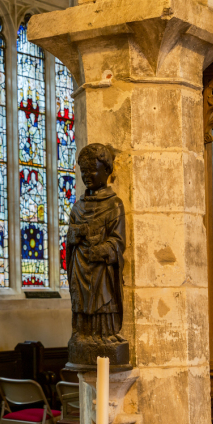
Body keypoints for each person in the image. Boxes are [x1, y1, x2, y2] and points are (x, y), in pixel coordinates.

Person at [66, 143, 127, 365]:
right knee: (81, 303)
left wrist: (99, 250)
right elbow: (69, 239)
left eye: (92, 170)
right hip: (80, 267)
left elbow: (118, 243)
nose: (87, 176)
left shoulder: (114, 205)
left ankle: (104, 335)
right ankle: (83, 335)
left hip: (101, 270)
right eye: (83, 171)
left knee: (104, 302)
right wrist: (76, 235)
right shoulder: (78, 207)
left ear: (106, 170)